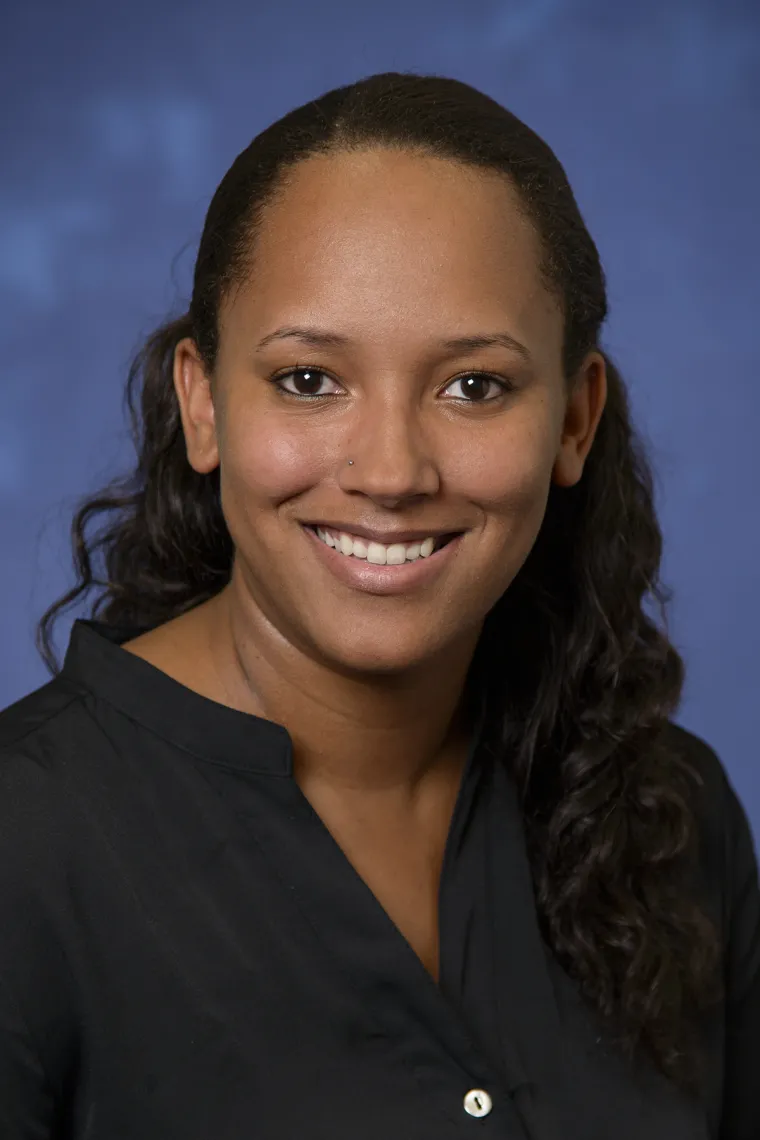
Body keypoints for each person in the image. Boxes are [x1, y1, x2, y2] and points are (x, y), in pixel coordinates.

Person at [0, 72, 757, 1140]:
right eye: (309, 380)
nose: (392, 471)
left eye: (473, 386)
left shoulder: (671, 815)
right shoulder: (27, 850)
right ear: (204, 403)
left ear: (574, 420)